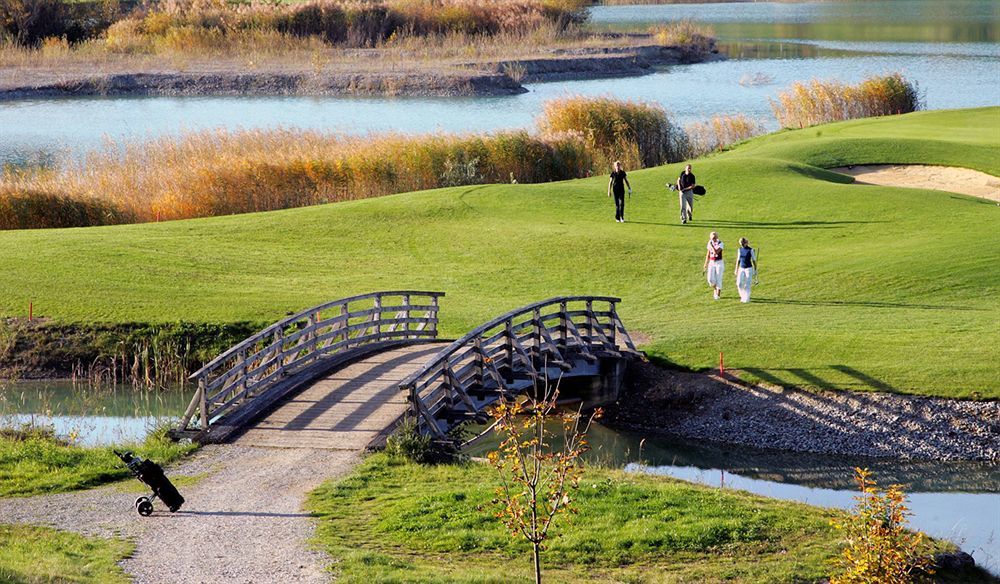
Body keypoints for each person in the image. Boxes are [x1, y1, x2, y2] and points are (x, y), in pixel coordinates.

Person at [734, 237, 758, 303]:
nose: (741, 244)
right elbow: (738, 260)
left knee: (747, 284)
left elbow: (754, 260)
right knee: (739, 283)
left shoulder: (751, 250)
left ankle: (747, 298)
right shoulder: (739, 250)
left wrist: (755, 270)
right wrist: (736, 269)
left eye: (742, 243)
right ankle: (742, 296)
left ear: (745, 243)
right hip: (741, 268)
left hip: (748, 268)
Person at [703, 231, 724, 300]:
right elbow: (708, 254)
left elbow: (716, 252)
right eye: (712, 238)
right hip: (712, 262)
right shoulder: (709, 243)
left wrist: (712, 246)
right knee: (710, 279)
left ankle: (718, 294)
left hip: (719, 262)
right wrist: (705, 263)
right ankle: (715, 289)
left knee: (718, 278)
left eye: (715, 238)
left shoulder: (720, 243)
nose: (713, 239)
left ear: (717, 237)